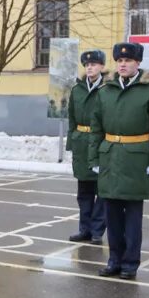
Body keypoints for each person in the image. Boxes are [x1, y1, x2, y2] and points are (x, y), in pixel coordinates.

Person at [88, 42, 149, 280]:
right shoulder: (105, 90)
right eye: (120, 61)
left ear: (138, 63)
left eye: (128, 61)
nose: (123, 64)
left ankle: (130, 263)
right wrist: (95, 157)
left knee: (133, 217)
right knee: (111, 215)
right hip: (110, 158)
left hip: (137, 158)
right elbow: (96, 129)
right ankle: (114, 260)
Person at [67, 49, 107, 245]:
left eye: (94, 64)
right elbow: (72, 119)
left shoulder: (108, 88)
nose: (90, 67)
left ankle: (97, 230)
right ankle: (85, 229)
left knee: (103, 190)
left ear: (102, 67)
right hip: (82, 143)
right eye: (87, 65)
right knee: (84, 191)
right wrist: (72, 142)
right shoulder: (78, 89)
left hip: (101, 143)